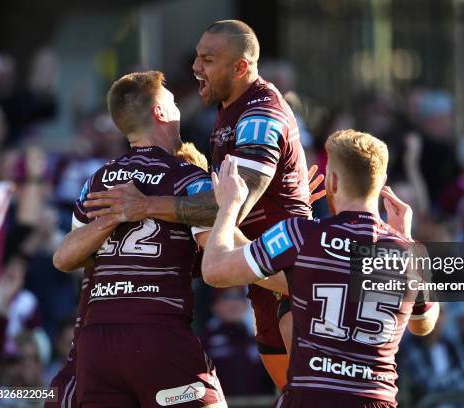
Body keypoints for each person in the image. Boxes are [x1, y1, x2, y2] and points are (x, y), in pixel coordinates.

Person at [83, 19, 313, 390]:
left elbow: (234, 201)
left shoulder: (258, 111)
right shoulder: (227, 108)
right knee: (293, 395)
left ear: (240, 67)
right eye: (196, 57)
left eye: (207, 59)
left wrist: (146, 206)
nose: (195, 68)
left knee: (315, 396)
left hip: (287, 274)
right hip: (262, 280)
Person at [201, 130, 439, 407]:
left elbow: (214, 270)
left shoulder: (299, 235)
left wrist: (228, 207)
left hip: (310, 399)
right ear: (382, 183)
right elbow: (423, 325)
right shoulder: (410, 253)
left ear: (332, 181)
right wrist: (403, 237)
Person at [52, 71, 226, 407]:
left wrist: (115, 216)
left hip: (96, 347)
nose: (178, 110)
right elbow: (216, 254)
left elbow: (64, 258)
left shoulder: (98, 180)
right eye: (173, 103)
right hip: (159, 336)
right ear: (160, 112)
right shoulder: (188, 178)